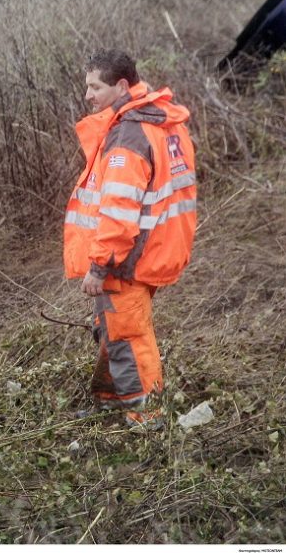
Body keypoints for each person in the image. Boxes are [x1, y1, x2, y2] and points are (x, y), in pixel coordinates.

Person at [64, 49, 197, 429]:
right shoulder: (164, 121)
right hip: (155, 250)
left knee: (130, 336)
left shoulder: (129, 135)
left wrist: (99, 265)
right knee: (115, 326)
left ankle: (149, 421)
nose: (88, 96)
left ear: (121, 86)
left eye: (95, 87)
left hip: (126, 259)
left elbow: (119, 214)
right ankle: (110, 399)